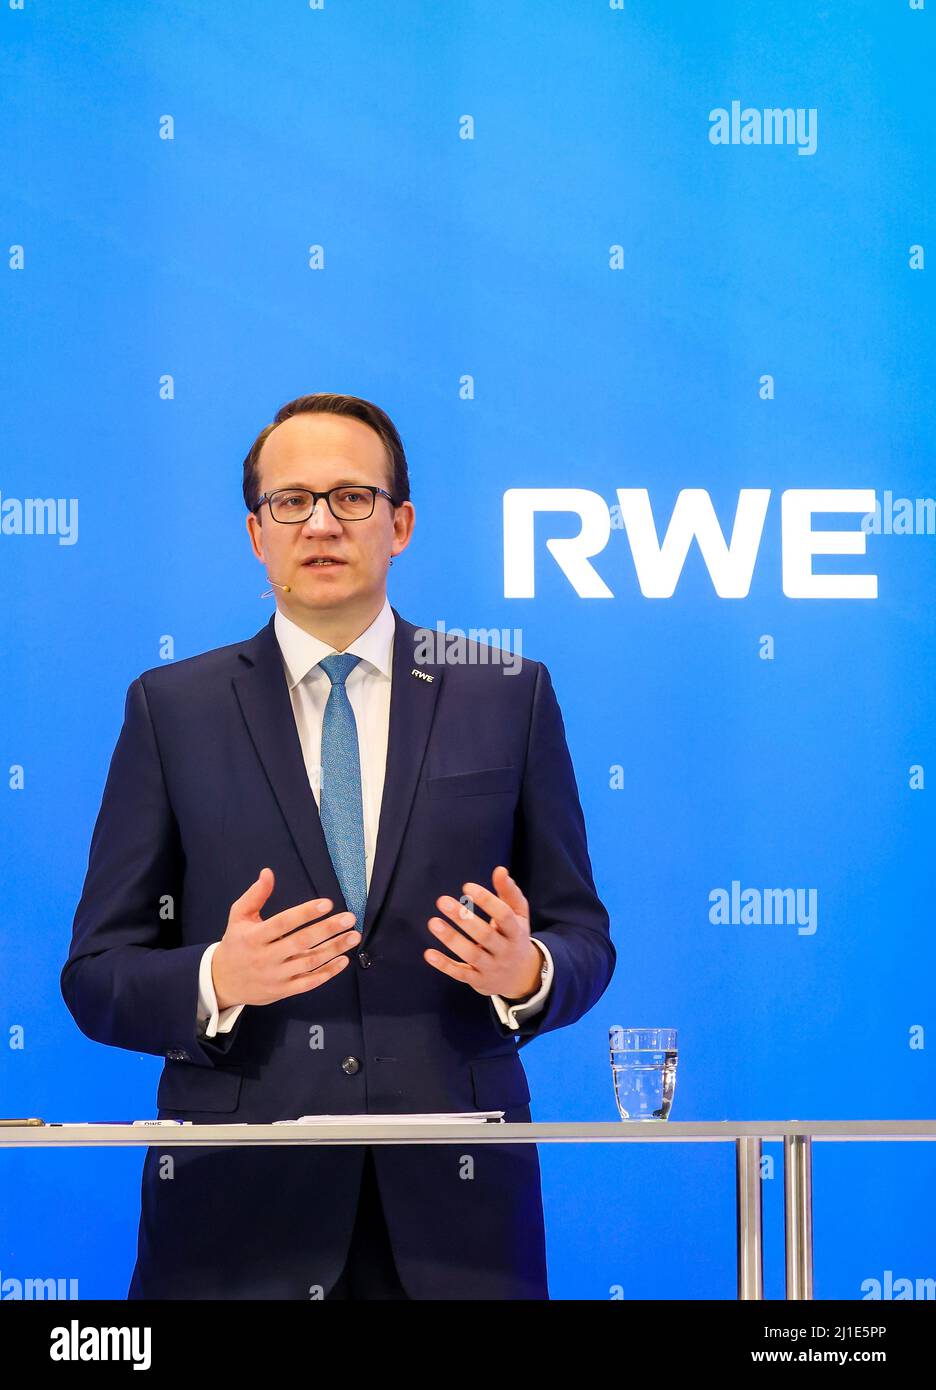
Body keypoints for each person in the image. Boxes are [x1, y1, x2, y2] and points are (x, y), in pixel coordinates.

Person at [61, 392, 615, 1300]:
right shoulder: (171, 709)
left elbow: (583, 935)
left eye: (352, 498)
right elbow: (95, 975)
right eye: (292, 502)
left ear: (400, 524)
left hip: (456, 1226)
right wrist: (216, 980)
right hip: (236, 1224)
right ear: (256, 533)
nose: (321, 523)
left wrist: (527, 972)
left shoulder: (507, 692)